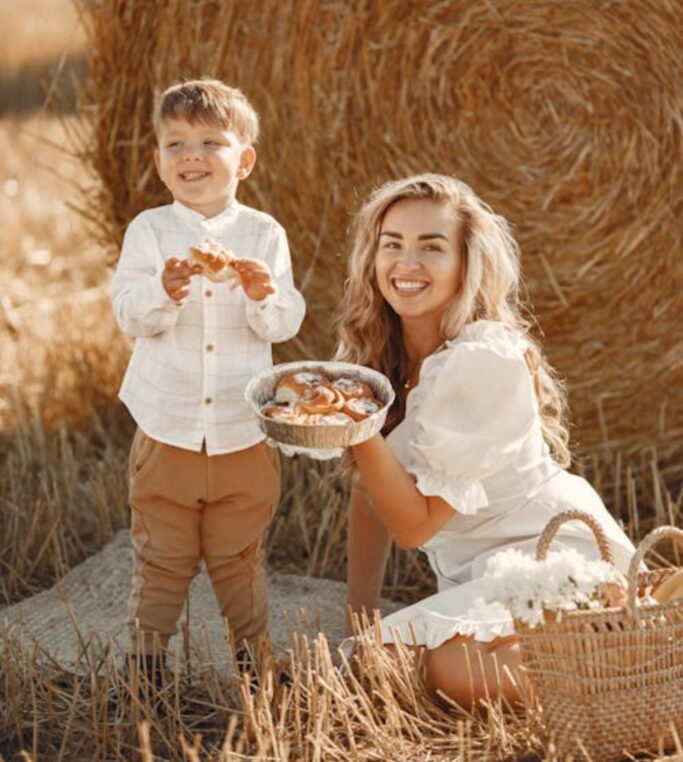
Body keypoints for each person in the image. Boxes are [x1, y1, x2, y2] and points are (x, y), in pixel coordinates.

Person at [336, 173, 635, 707]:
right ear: (372, 258)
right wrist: (359, 623)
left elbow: (413, 524)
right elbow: (371, 496)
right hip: (481, 573)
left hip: (551, 556)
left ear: (466, 264)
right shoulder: (381, 356)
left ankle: (631, 663)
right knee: (371, 666)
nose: (407, 264)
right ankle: (595, 657)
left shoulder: (483, 359)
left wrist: (354, 427)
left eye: (432, 247)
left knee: (453, 671)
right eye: (392, 245)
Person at [111, 78, 305, 680]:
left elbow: (288, 318)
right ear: (159, 161)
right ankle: (146, 667)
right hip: (167, 429)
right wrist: (160, 292)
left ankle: (254, 662)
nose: (191, 155)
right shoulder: (149, 232)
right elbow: (126, 311)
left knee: (238, 556)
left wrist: (261, 294)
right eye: (175, 144)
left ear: (243, 160)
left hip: (241, 435)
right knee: (162, 556)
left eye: (210, 142)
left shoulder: (264, 234)